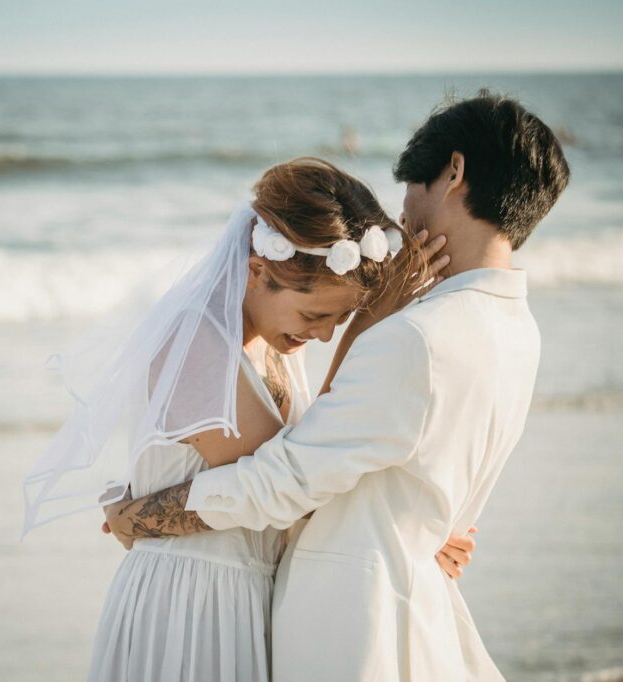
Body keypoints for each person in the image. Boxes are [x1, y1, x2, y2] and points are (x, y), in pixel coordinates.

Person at [103, 91, 571, 680]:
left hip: (348, 620)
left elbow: (287, 480)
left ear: (453, 173)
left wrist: (138, 515)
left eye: (412, 186)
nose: (405, 213)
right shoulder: (518, 333)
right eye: (317, 317)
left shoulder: (418, 338)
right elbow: (325, 464)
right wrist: (425, 527)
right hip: (202, 606)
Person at [24, 157, 472, 681]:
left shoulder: (274, 344)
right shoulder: (195, 343)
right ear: (259, 271)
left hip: (248, 597)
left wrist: (411, 528)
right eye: (315, 316)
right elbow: (291, 486)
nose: (324, 335)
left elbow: (311, 468)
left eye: (341, 319)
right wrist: (363, 332)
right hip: (190, 606)